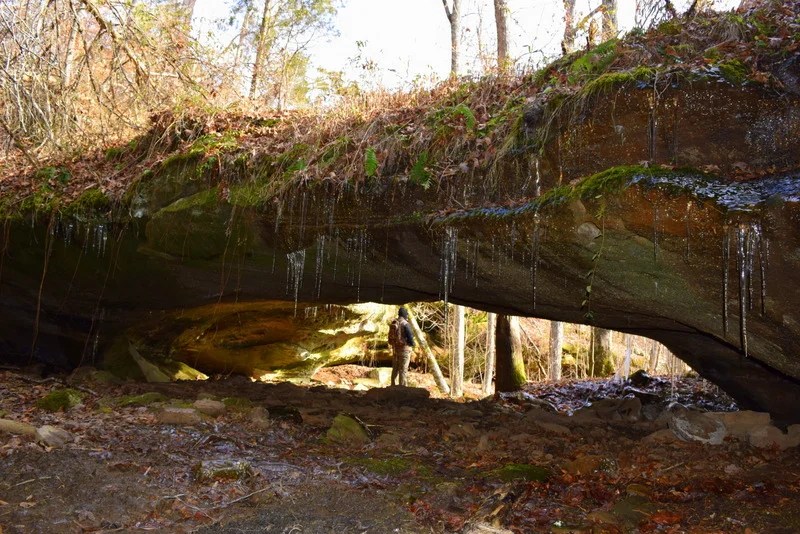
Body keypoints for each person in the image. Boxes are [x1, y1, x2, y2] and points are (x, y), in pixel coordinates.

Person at [388, 307, 415, 386]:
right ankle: (402, 388)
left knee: (395, 369)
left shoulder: (394, 322)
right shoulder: (405, 324)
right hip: (404, 350)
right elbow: (410, 338)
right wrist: (412, 344)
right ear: (405, 315)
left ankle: (393, 386)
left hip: (395, 350)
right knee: (403, 370)